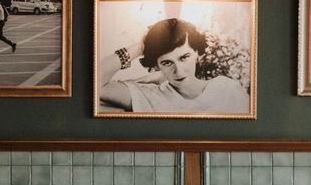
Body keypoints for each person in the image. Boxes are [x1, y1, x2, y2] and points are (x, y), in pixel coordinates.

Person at [99, 17, 250, 115]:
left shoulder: (227, 89)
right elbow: (94, 84)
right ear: (157, 65)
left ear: (197, 52)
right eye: (167, 63)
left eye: (184, 57)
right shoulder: (150, 95)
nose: (178, 70)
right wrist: (140, 47)